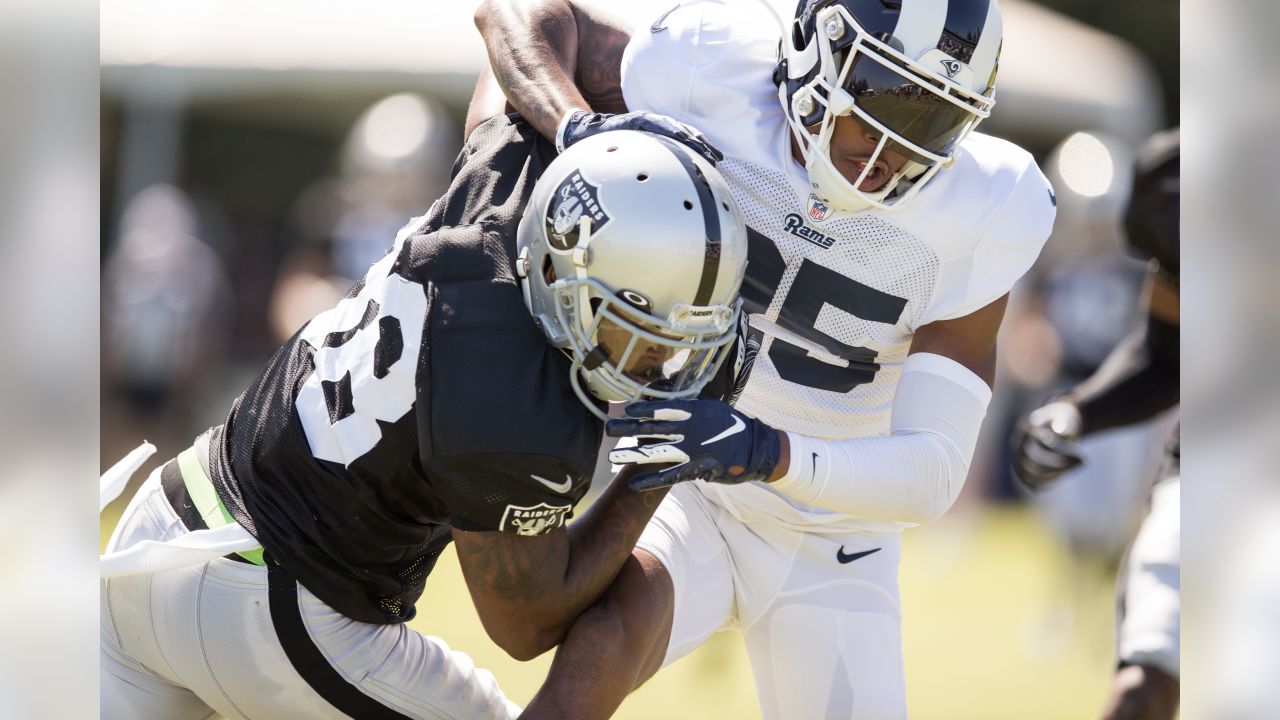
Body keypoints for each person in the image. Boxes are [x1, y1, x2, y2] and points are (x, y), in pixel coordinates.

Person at [472, 0, 1056, 717]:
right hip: (695, 489)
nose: (891, 144)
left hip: (834, 532)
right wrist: (574, 125)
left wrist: (767, 451)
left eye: (931, 118)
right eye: (878, 94)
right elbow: (521, 15)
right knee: (592, 665)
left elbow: (933, 468)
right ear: (816, 50)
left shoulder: (984, 209)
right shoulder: (709, 69)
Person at [99, 121, 750, 719]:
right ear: (571, 276)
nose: (664, 359)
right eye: (643, 325)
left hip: (158, 525)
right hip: (277, 606)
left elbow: (519, 17)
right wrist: (659, 466)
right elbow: (525, 624)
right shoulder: (518, 411)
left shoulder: (503, 184)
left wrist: (572, 119)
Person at [1013, 128, 1180, 720]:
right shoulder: (1173, 179)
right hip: (1212, 464)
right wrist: (1078, 410)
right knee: (1144, 677)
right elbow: (1167, 357)